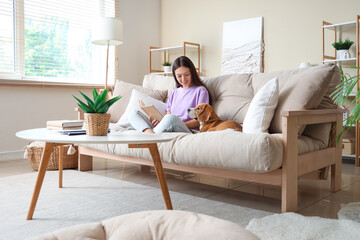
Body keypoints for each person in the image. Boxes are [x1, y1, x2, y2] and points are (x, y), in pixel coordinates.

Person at [128, 56, 211, 134]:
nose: (183, 79)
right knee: (133, 113)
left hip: (186, 129)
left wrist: (174, 123)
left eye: (187, 75)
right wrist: (161, 123)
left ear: (192, 73)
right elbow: (167, 115)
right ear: (175, 76)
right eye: (179, 76)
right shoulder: (174, 93)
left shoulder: (201, 91)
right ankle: (150, 134)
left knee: (171, 118)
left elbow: (200, 120)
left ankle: (151, 135)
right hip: (169, 126)